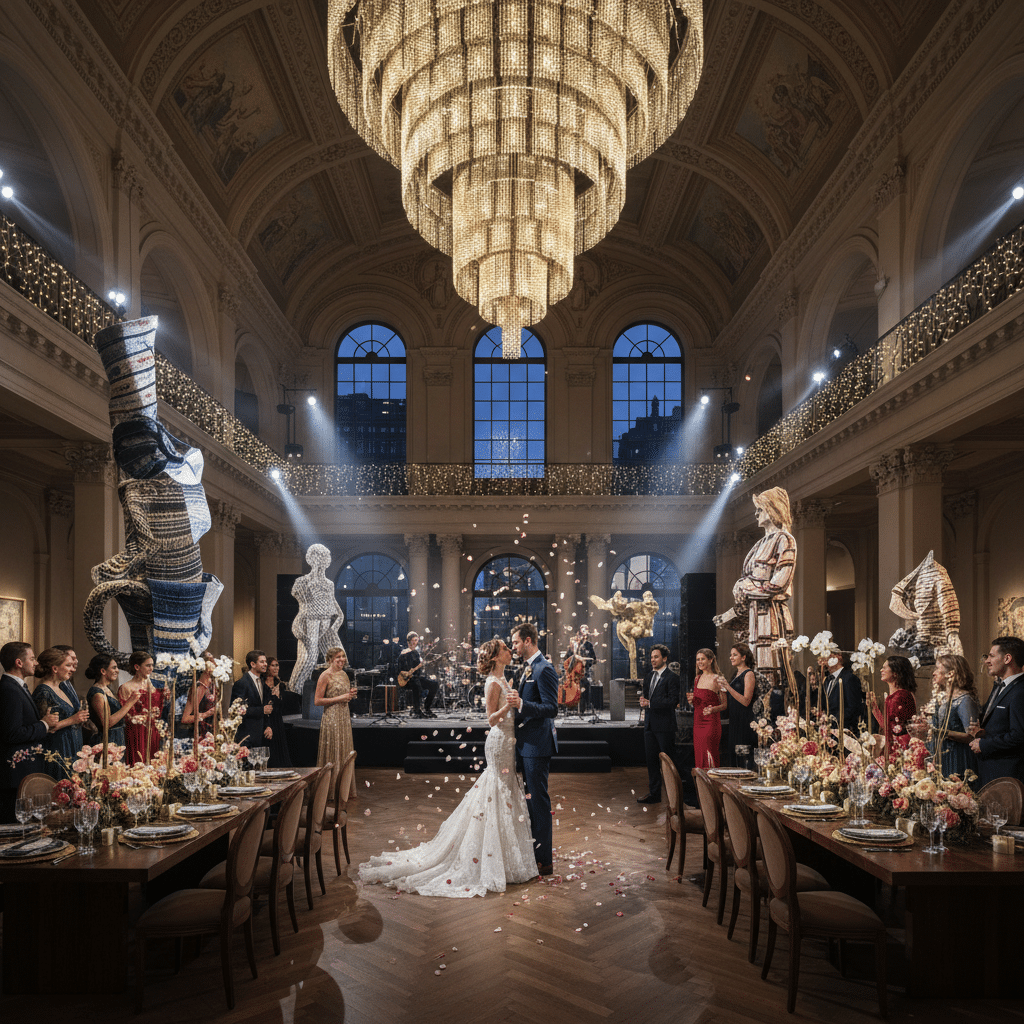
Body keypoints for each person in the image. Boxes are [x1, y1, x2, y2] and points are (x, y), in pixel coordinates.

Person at [359, 638, 535, 896]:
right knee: (495, 791)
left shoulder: (506, 679)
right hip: (498, 743)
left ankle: (506, 858)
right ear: (497, 657)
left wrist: (516, 704)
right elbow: (490, 719)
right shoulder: (493, 683)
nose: (511, 651)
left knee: (504, 793)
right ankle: (489, 857)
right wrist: (509, 705)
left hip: (508, 743)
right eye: (506, 649)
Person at [713, 487, 797, 718]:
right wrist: (728, 616)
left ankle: (768, 720)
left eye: (760, 508)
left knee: (770, 674)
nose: (756, 513)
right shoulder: (759, 544)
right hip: (753, 617)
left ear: (772, 509)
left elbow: (779, 583)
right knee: (753, 669)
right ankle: (756, 721)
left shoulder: (784, 539)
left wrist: (745, 587)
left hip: (771, 616)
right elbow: (745, 595)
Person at [507, 621, 559, 876]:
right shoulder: (527, 668)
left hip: (537, 746)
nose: (513, 646)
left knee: (538, 802)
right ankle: (534, 854)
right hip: (527, 744)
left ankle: (545, 861)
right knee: (530, 802)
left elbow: (552, 709)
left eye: (516, 642)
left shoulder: (544, 669)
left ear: (528, 641)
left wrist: (522, 705)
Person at [0, 642, 57, 822]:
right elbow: (12, 733)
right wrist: (43, 725)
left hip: (24, 770)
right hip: (15, 774)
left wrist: (45, 725)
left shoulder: (18, 687)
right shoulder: (9, 690)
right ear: (19, 662)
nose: (35, 663)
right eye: (32, 658)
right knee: (15, 827)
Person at [969, 635, 1024, 785]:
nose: (987, 661)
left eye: (992, 656)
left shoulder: (1020, 691)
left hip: (1007, 773)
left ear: (1007, 659)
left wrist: (984, 744)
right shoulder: (999, 686)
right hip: (990, 769)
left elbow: (1019, 736)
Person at [33, 647, 90, 779]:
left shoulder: (61, 688)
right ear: (55, 668)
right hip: (59, 748)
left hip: (72, 743)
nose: (73, 669)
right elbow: (44, 728)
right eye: (68, 665)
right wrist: (73, 720)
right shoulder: (43, 691)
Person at [636, 643, 680, 804]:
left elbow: (673, 701)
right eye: (651, 657)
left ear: (665, 658)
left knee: (669, 763)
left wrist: (651, 704)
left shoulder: (672, 678)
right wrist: (643, 702)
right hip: (649, 725)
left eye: (656, 657)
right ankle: (654, 794)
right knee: (651, 762)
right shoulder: (648, 677)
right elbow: (648, 699)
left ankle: (674, 795)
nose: (653, 660)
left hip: (665, 726)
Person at [928, 653, 980, 782]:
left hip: (958, 757)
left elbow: (972, 737)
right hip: (943, 755)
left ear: (950, 673)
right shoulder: (944, 699)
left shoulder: (964, 700)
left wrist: (942, 733)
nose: (934, 673)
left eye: (937, 669)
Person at [315, 647, 353, 792]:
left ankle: (343, 788)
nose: (342, 659)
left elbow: (344, 695)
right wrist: (341, 698)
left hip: (344, 716)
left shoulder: (344, 674)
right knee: (333, 749)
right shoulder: (325, 675)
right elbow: (317, 701)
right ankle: (330, 789)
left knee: (344, 749)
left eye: (343, 656)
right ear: (330, 660)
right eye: (338, 657)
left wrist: (350, 694)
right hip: (331, 717)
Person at [867, 655, 917, 759]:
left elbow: (894, 731)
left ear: (895, 673)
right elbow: (887, 727)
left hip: (898, 750)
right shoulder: (898, 696)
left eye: (885, 667)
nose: (881, 670)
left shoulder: (899, 697)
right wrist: (874, 708)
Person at [85, 653, 135, 754]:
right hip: (108, 740)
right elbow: (107, 723)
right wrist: (130, 703)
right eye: (114, 668)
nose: (117, 671)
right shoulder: (97, 693)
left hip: (118, 737)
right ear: (103, 671)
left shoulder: (107, 689)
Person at [119, 650, 163, 765]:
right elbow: (126, 714)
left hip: (152, 729)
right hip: (136, 732)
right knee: (139, 762)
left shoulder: (150, 684)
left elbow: (157, 707)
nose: (151, 668)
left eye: (152, 665)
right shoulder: (126, 687)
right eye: (148, 665)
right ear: (137, 667)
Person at [688, 648, 727, 769]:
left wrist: (712, 709)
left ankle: (711, 786)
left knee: (709, 755)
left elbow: (725, 705)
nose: (699, 662)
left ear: (710, 660)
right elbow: (697, 704)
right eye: (697, 659)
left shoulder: (718, 679)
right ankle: (701, 787)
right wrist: (692, 701)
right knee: (699, 757)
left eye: (702, 659)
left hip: (711, 724)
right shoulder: (697, 678)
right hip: (697, 723)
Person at [723, 642, 757, 767]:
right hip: (734, 720)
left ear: (743, 657)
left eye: (734, 655)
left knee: (743, 758)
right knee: (734, 758)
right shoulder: (736, 674)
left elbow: (746, 700)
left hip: (744, 721)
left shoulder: (749, 674)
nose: (731, 657)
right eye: (731, 655)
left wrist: (728, 687)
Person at [821, 645, 867, 736]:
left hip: (844, 731)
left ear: (837, 657)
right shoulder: (827, 680)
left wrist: (834, 721)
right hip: (828, 731)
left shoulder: (849, 678)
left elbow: (853, 708)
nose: (824, 661)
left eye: (827, 656)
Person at [231, 649, 273, 748]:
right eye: (262, 662)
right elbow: (236, 710)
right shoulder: (241, 683)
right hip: (246, 736)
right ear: (253, 664)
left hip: (260, 735)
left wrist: (267, 726)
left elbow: (264, 707)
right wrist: (261, 710)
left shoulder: (262, 682)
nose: (266, 664)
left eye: (265, 661)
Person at [397, 632, 438, 719]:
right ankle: (417, 711)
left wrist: (425, 664)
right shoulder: (404, 653)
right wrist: (408, 673)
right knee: (416, 684)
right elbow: (400, 669)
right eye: (414, 640)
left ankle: (427, 708)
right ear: (409, 641)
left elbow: (418, 667)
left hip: (416, 678)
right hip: (407, 680)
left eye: (417, 640)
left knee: (434, 684)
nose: (416, 642)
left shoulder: (416, 653)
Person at [262, 656, 293, 768]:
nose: (276, 668)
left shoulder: (281, 684)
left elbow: (283, 708)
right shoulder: (261, 684)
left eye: (277, 665)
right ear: (267, 667)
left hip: (278, 721)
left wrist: (279, 697)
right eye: (273, 665)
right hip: (267, 721)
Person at [180, 653, 217, 741]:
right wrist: (206, 714)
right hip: (199, 734)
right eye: (211, 661)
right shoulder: (198, 688)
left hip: (212, 731)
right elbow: (185, 718)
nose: (215, 664)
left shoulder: (212, 683)